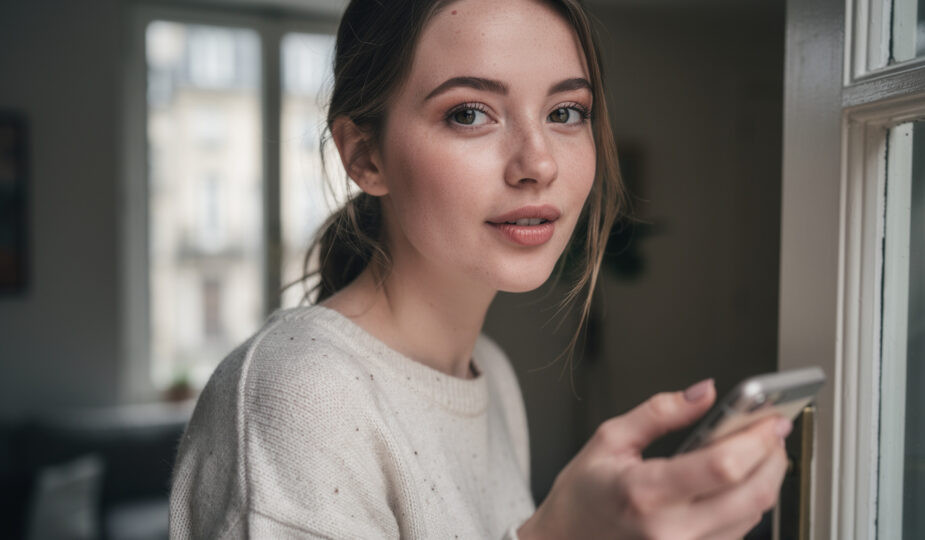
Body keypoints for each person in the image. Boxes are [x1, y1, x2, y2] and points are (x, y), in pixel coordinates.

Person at [169, 0, 792, 538]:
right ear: (365, 157)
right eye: (469, 113)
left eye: (565, 112)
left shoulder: (489, 373)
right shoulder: (298, 395)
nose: (538, 164)